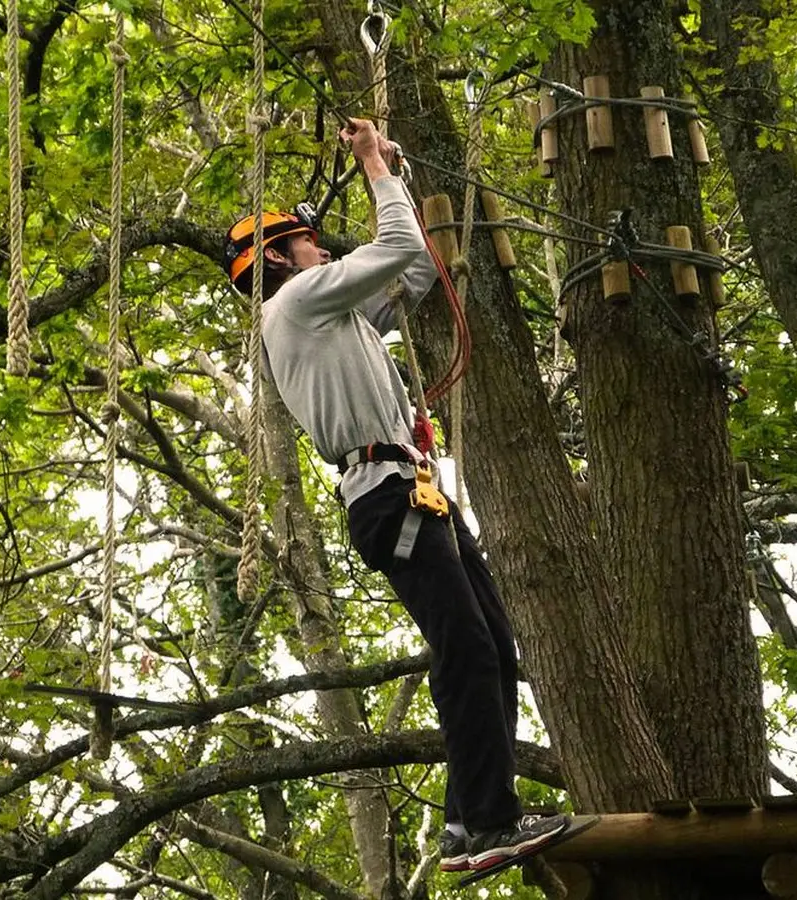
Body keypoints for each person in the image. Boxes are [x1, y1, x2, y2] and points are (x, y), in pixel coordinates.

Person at [224, 118, 569, 874]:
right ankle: (487, 821)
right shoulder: (295, 303)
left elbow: (414, 278)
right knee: (468, 647)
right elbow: (400, 251)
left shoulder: (330, 313)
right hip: (388, 493)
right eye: (312, 242)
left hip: (409, 487)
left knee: (492, 644)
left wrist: (398, 180)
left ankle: (467, 817)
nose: (325, 248)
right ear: (280, 257)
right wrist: (373, 166)